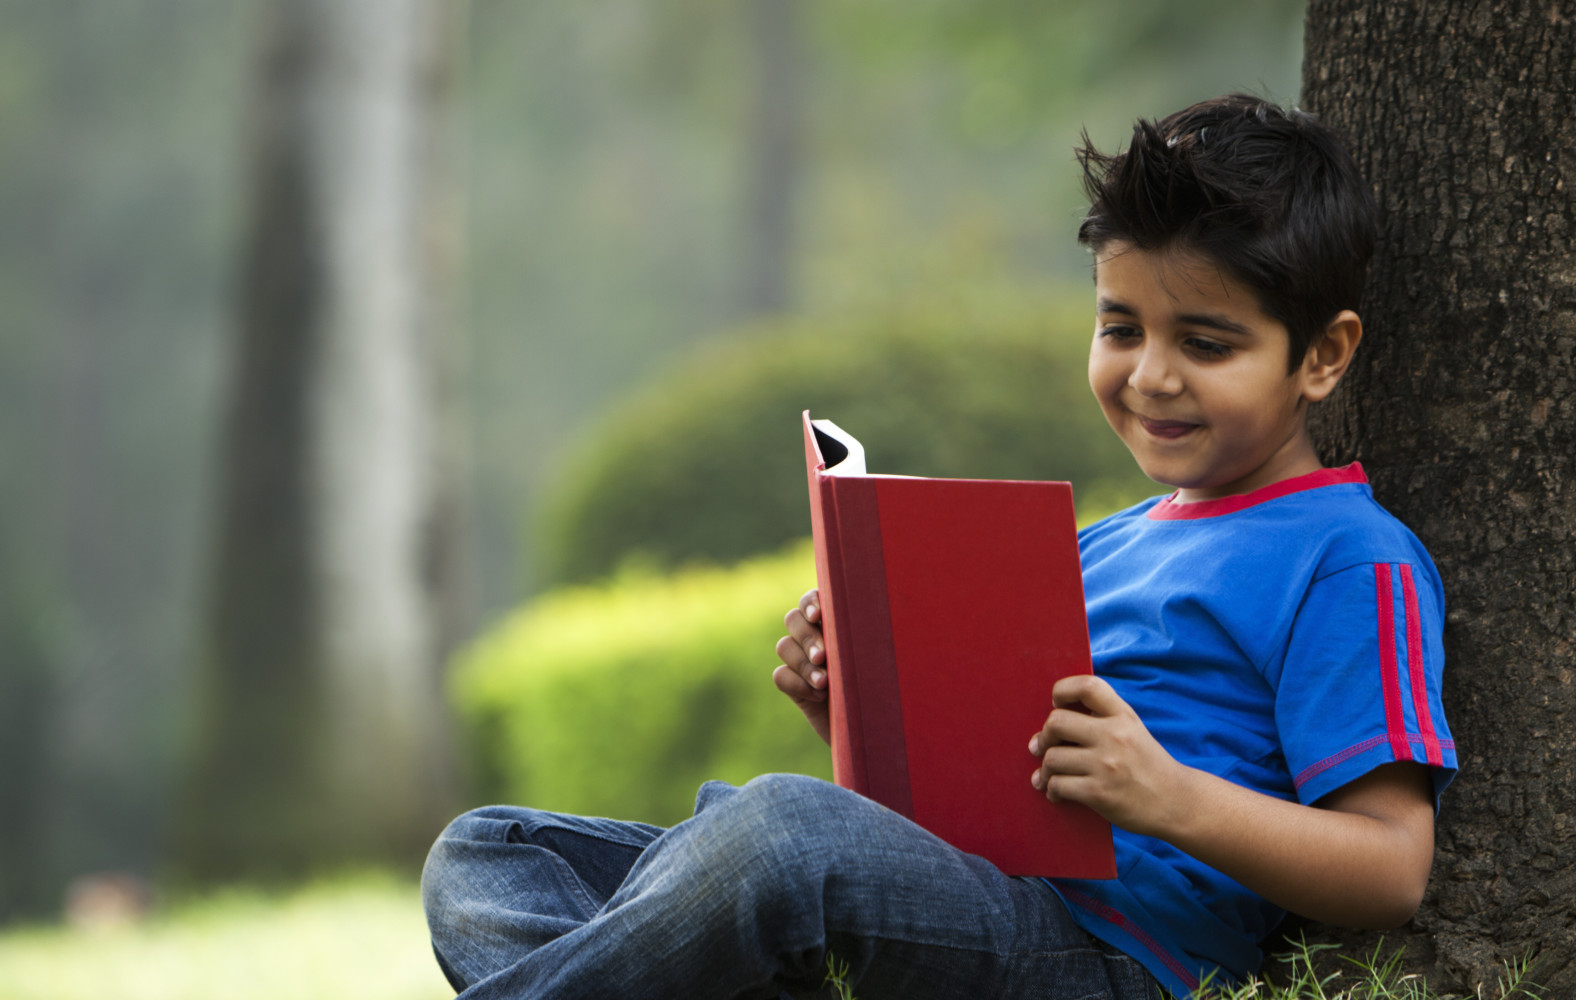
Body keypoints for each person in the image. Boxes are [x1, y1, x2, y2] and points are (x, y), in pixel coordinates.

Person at [421, 93, 1456, 1000]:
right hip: (964, 900)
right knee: (491, 854)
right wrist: (860, 713)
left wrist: (1165, 795)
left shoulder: (1345, 555)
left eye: (1205, 342)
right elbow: (983, 791)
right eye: (1120, 327)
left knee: (784, 838)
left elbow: (1388, 868)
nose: (1149, 376)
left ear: (1320, 355)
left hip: (1099, 955)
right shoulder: (1098, 546)